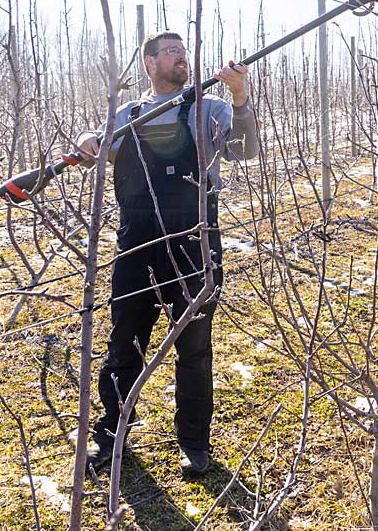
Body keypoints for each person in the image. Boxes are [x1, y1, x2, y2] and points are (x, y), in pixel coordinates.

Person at [76, 31, 260, 475]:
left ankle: (194, 442)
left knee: (194, 345)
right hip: (135, 242)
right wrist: (86, 141)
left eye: (184, 52)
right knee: (124, 339)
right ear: (150, 64)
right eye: (171, 52)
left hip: (194, 240)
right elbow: (94, 152)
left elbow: (245, 151)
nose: (182, 58)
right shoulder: (128, 114)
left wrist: (240, 99)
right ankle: (111, 432)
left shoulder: (209, 107)